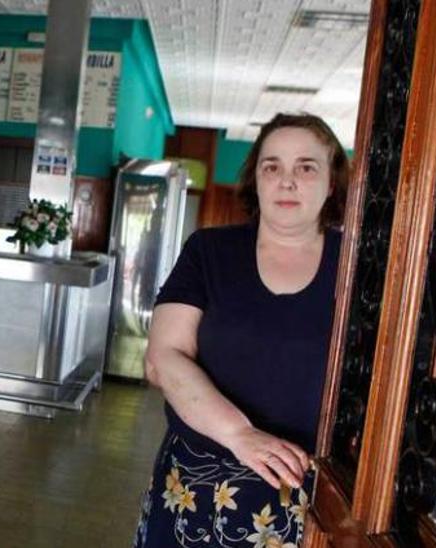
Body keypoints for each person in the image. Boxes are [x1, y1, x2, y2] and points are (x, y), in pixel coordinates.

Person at [133, 113, 348, 547]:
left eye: (306, 167)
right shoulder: (209, 252)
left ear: (331, 183)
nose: (287, 181)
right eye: (272, 166)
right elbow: (163, 358)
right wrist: (240, 435)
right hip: (196, 492)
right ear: (256, 180)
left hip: (307, 497)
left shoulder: (359, 266)